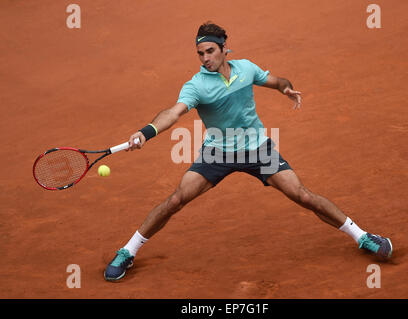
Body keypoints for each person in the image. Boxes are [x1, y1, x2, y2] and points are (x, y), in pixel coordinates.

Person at [104, 22, 393, 282]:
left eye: (210, 51)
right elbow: (173, 113)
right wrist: (146, 131)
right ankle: (128, 251)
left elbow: (278, 81)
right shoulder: (197, 85)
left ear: (224, 49)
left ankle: (363, 237)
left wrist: (286, 89)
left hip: (257, 149)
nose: (205, 58)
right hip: (218, 152)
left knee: (303, 196)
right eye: (200, 54)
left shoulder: (246, 69)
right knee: (175, 200)